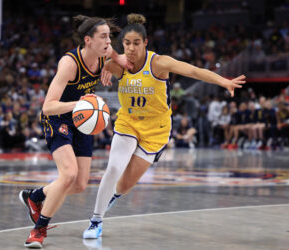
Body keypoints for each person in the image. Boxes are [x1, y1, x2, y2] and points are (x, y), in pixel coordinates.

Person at [83, 13, 246, 239]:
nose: (130, 48)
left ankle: (113, 197)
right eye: (127, 43)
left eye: (136, 43)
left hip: (156, 130)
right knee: (112, 168)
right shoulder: (117, 64)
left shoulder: (159, 63)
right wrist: (104, 68)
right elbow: (92, 63)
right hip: (128, 123)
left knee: (124, 186)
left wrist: (224, 81)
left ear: (146, 43)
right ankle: (95, 221)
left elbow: (193, 71)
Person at [18, 15, 132, 248]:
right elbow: (47, 106)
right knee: (68, 174)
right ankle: (38, 230)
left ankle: (36, 196)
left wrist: (112, 65)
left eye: (109, 37)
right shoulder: (69, 64)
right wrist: (82, 104)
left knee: (79, 184)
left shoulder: (105, 54)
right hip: (58, 117)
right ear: (88, 40)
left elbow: (122, 59)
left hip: (82, 121)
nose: (109, 42)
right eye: (103, 37)